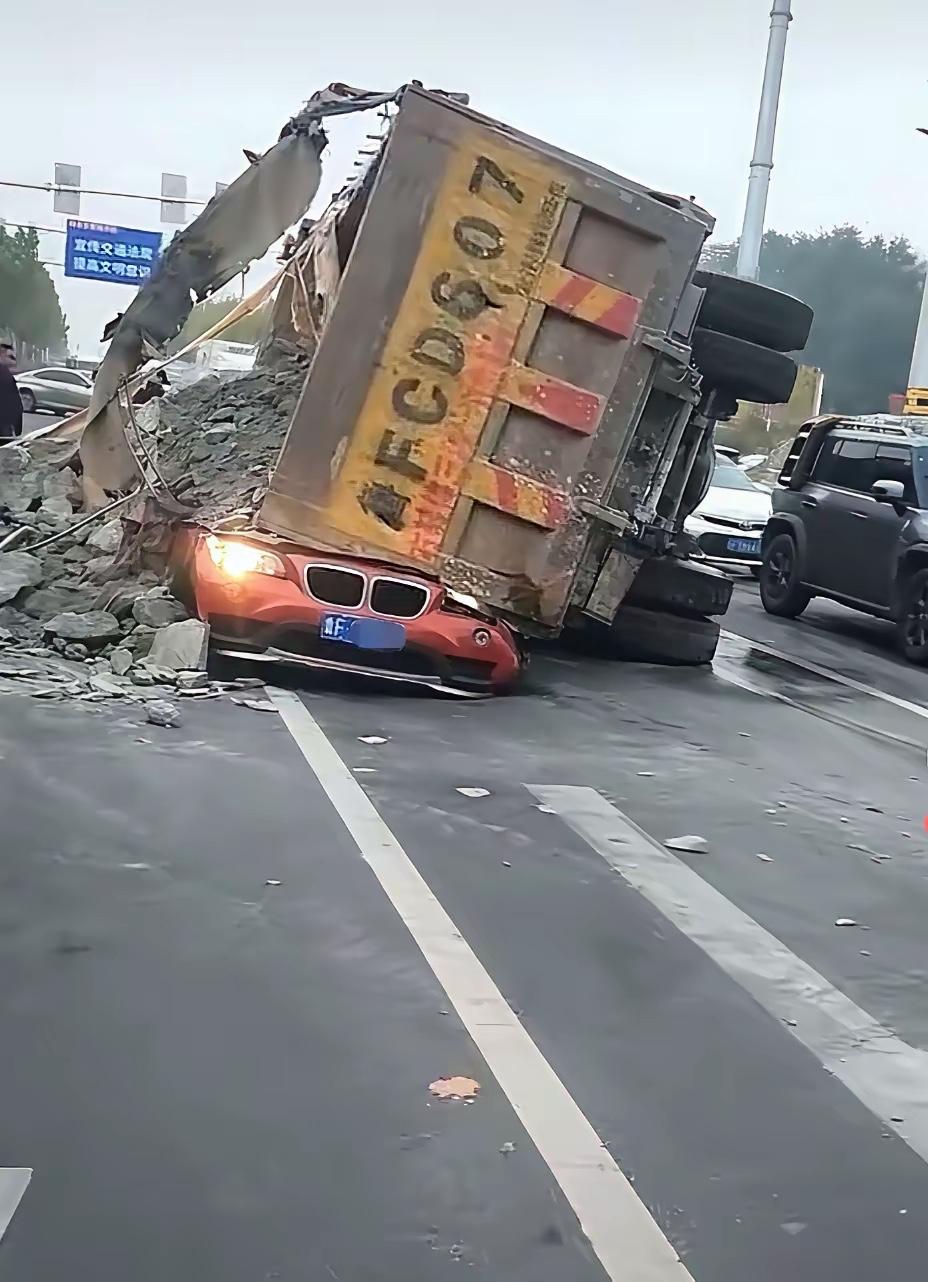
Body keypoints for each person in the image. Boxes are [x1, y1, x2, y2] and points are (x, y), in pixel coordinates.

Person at [0, 343, 23, 440]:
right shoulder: (5, 375)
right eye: (11, 357)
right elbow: (15, 404)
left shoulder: (5, 373)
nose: (14, 362)